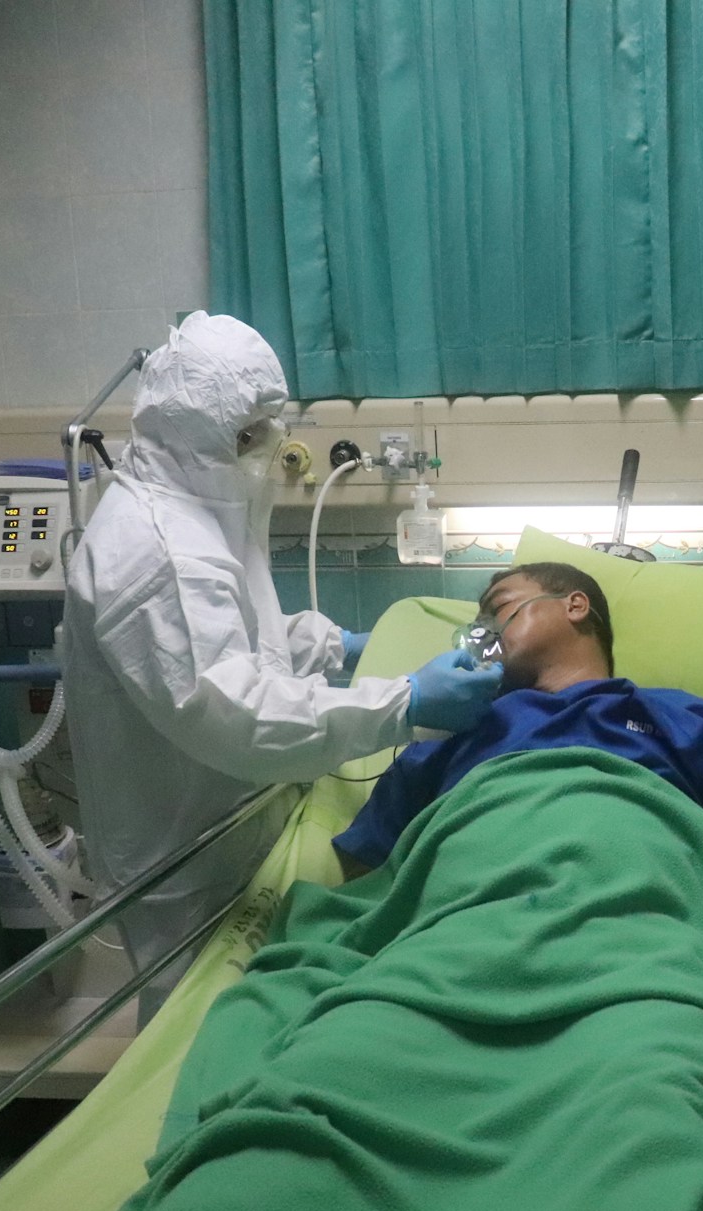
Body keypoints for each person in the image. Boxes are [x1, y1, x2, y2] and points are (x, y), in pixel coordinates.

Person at [63, 312, 502, 1000]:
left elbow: (242, 635)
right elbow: (235, 713)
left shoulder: (199, 509)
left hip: (240, 830)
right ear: (193, 432)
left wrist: (341, 648)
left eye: (269, 426)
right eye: (248, 434)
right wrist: (404, 704)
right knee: (193, 1035)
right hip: (184, 865)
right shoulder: (152, 551)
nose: (266, 447)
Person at [334, 562, 703, 882]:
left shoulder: (676, 715)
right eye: (477, 623)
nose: (483, 631)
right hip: (469, 909)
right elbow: (367, 864)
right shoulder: (453, 728)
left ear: (575, 605)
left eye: (499, 608)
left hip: (643, 914)